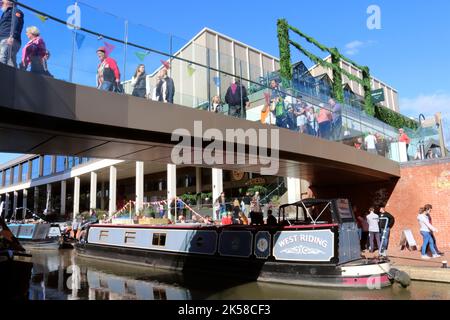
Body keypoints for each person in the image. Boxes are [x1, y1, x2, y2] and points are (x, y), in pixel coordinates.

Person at [0, 0, 24, 68]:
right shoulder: (5, 13)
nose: (2, 2)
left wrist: (12, 36)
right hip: (3, 39)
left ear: (10, 2)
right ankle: (11, 77)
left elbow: (16, 23)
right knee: (10, 60)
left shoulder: (15, 11)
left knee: (3, 58)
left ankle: (2, 76)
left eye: (3, 0)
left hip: (8, 38)